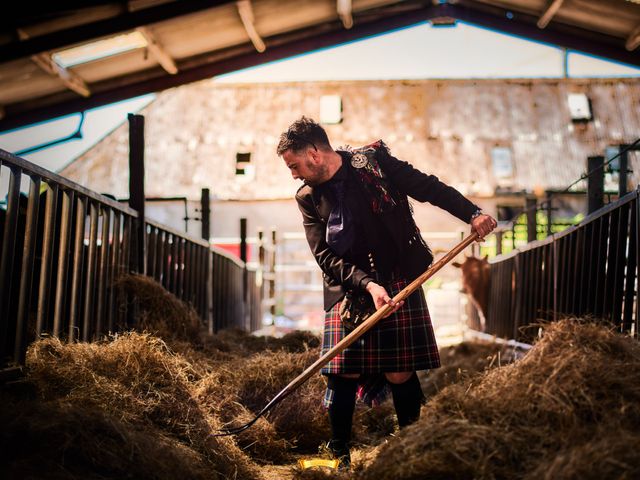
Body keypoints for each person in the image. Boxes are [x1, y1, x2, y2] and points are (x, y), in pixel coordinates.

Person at [277, 116, 497, 468]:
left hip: (398, 278)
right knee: (343, 371)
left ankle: (412, 448)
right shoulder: (307, 197)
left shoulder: (374, 164)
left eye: (294, 165)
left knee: (400, 370)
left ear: (315, 153)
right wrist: (366, 284)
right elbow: (324, 255)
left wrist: (472, 213)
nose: (294, 174)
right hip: (349, 286)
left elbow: (429, 188)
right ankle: (338, 455)